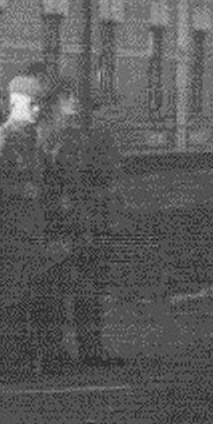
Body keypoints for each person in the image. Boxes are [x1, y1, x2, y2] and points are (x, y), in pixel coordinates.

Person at [0, 73, 63, 378]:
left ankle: (18, 360)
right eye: (32, 104)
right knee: (5, 302)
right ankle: (0, 363)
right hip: (6, 239)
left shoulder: (31, 141)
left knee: (23, 300)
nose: (37, 110)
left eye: (40, 105)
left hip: (30, 238)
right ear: (16, 103)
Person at [38, 76, 124, 369]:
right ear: (54, 103)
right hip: (58, 224)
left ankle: (90, 349)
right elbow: (49, 183)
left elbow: (86, 179)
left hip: (80, 222)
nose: (74, 103)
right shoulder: (47, 136)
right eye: (68, 98)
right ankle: (53, 352)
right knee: (56, 290)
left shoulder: (74, 136)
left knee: (87, 288)